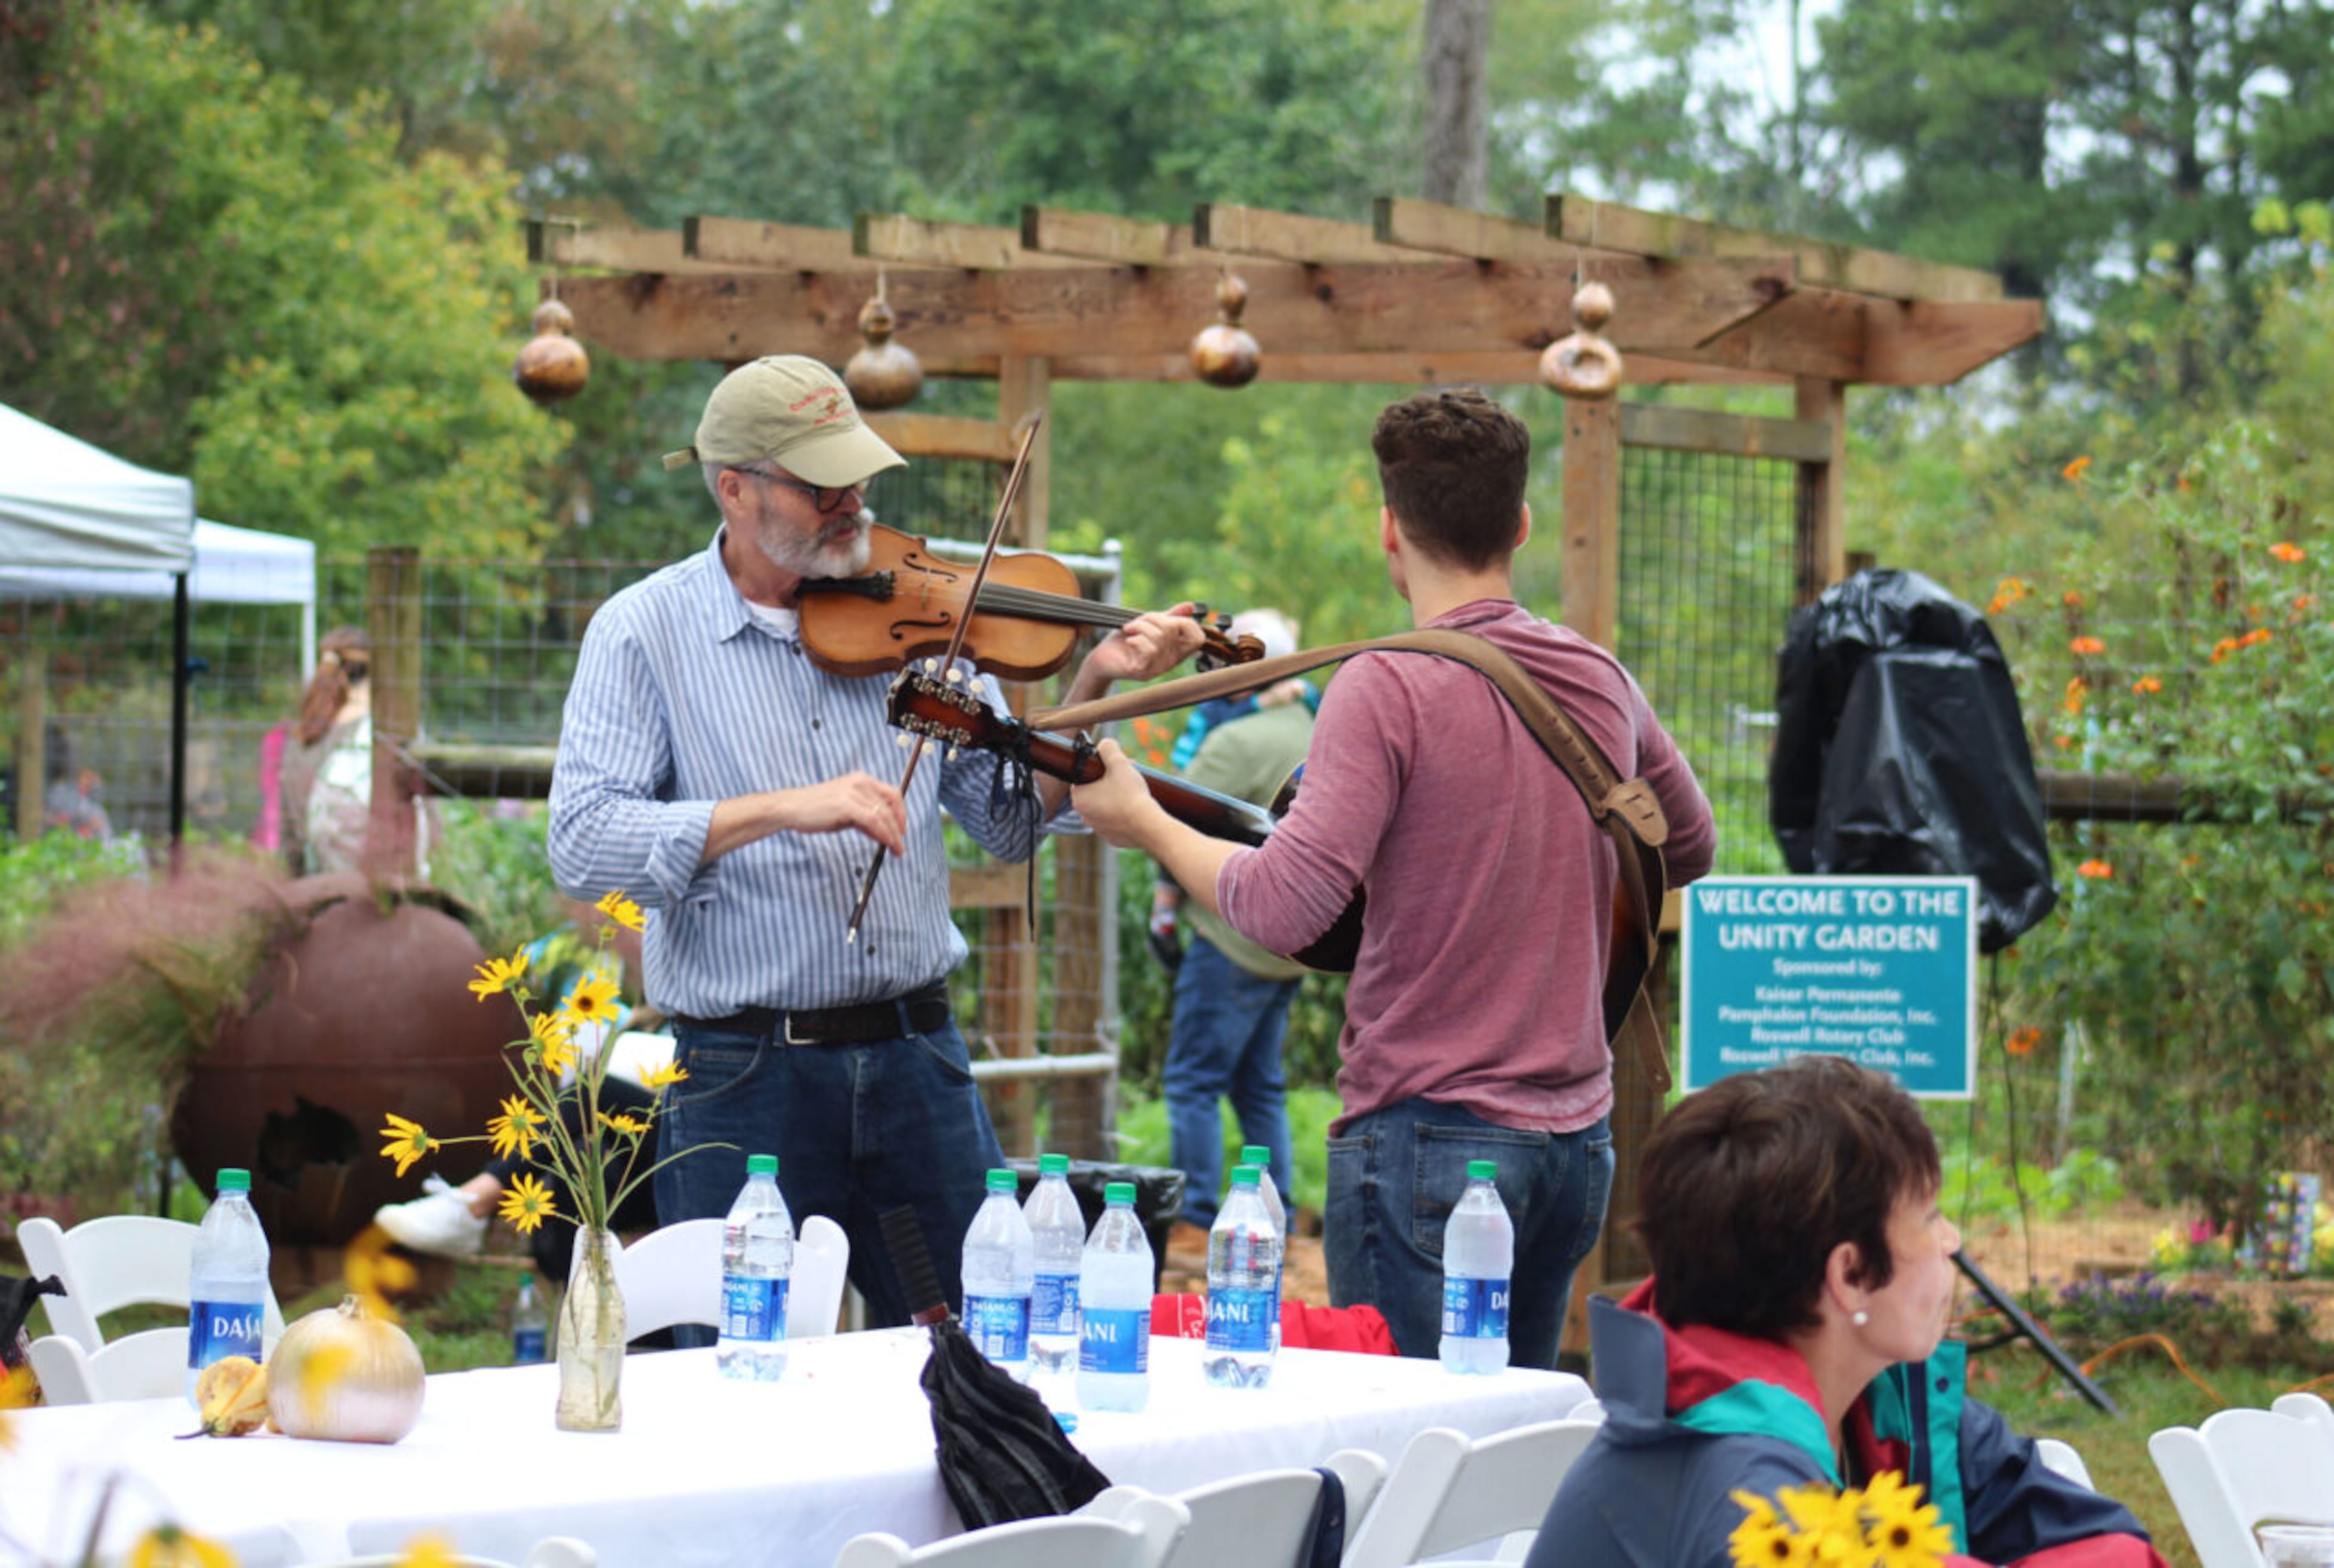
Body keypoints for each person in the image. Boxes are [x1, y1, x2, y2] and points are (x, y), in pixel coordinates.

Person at [546, 354, 1205, 1327]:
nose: (854, 503)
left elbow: (1011, 818)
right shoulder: (643, 632)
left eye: (856, 475)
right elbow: (584, 843)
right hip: (741, 1078)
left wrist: (1093, 683)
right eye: (823, 487)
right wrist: (781, 807)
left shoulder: (918, 620)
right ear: (735, 489)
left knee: (982, 1356)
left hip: (916, 1062)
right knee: (745, 1372)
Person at [1073, 387, 1717, 1368]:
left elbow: (1285, 904)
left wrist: (1144, 822)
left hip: (1431, 1140)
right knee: (1497, 1450)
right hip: (1574, 1144)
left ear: (1389, 529)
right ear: (1522, 524)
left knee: (1400, 1462)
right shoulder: (1596, 674)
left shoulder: (1385, 684)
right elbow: (1691, 844)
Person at [1532, 1058, 2164, 1567]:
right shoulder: (1743, 1490)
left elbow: (2115, 1547)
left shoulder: (1892, 1404)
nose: (1951, 1243)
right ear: (1851, 1276)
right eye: (1929, 1217)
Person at [1152, 608, 1310, 1234]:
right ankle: (1279, 1212)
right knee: (1258, 1085)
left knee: (1192, 1081)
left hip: (1230, 934)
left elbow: (1167, 822)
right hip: (1289, 940)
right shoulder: (1310, 725)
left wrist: (1165, 912)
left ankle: (1192, 1220)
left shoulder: (1234, 740)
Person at [279, 626, 373, 876]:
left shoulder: (303, 737)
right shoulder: (382, 737)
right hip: (375, 885)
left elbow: (290, 836)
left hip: (313, 882)